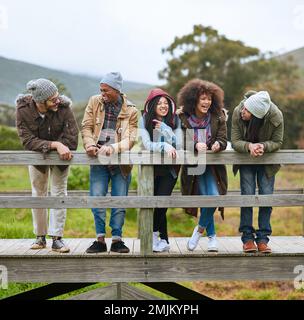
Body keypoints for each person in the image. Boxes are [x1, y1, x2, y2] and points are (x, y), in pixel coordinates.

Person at [16, 78, 79, 253]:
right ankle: (40, 236)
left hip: (61, 159)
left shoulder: (64, 108)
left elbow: (72, 137)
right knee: (38, 194)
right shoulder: (22, 110)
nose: (57, 100)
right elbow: (27, 140)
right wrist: (55, 145)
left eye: (57, 96)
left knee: (59, 192)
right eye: (53, 99)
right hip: (38, 158)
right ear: (40, 102)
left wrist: (61, 147)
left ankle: (57, 239)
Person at [81, 72, 138, 254]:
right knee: (97, 198)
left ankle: (117, 240)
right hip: (98, 160)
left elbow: (130, 139)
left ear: (116, 90)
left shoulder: (132, 111)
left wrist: (113, 148)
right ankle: (99, 239)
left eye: (105, 90)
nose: (102, 93)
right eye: (101, 89)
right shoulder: (94, 102)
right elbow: (87, 126)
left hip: (121, 163)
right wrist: (89, 144)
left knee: (119, 200)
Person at [177, 79, 228, 252]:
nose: (207, 102)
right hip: (194, 167)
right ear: (194, 100)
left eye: (209, 99)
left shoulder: (218, 116)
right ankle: (212, 238)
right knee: (207, 199)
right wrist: (194, 145)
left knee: (213, 198)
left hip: (212, 167)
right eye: (203, 98)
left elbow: (222, 138)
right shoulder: (183, 117)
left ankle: (200, 231)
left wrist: (218, 145)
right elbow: (181, 140)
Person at [231, 90, 284, 254]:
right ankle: (247, 238)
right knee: (247, 196)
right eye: (244, 108)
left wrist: (264, 146)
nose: (242, 111)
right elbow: (235, 141)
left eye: (246, 111)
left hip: (267, 162)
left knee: (266, 197)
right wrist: (249, 146)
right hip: (246, 160)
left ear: (255, 115)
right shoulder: (237, 112)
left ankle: (262, 239)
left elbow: (277, 141)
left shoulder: (276, 116)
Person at [139, 88, 182, 252]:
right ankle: (161, 239)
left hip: (169, 170)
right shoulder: (144, 119)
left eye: (166, 103)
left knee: (162, 203)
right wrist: (164, 145)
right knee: (152, 204)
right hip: (151, 171)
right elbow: (147, 145)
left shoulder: (174, 119)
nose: (163, 106)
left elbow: (178, 143)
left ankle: (156, 236)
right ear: (152, 105)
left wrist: (165, 128)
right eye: (159, 103)